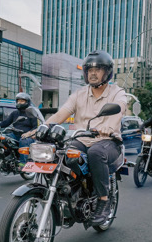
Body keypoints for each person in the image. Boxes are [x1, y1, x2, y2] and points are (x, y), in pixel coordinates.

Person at [23, 50, 126, 226]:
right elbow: (62, 112)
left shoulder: (117, 92)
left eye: (98, 69)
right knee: (61, 153)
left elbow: (119, 109)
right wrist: (43, 126)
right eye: (89, 69)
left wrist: (106, 128)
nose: (93, 73)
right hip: (82, 138)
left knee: (95, 153)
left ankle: (103, 200)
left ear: (107, 72)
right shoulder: (79, 94)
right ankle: (72, 192)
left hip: (108, 141)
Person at [0, 92, 38, 164]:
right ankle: (8, 158)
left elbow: (36, 127)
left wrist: (28, 133)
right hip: (15, 134)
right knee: (2, 138)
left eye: (22, 101)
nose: (20, 102)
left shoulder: (32, 113)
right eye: (18, 101)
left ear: (27, 102)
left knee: (23, 141)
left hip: (28, 136)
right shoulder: (15, 113)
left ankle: (23, 163)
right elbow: (6, 122)